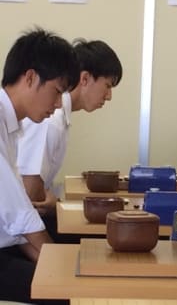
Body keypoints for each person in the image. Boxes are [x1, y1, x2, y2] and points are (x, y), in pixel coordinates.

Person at [0, 28, 79, 303]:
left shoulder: (11, 125)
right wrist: (61, 273)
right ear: (30, 77)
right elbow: (19, 216)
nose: (58, 105)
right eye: (56, 92)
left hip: (8, 242)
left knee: (72, 274)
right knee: (68, 292)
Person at [16, 38, 122, 242]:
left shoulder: (59, 117)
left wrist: (55, 203)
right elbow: (31, 192)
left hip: (29, 217)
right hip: (20, 226)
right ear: (84, 79)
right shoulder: (50, 119)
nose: (108, 96)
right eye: (107, 86)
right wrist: (56, 206)